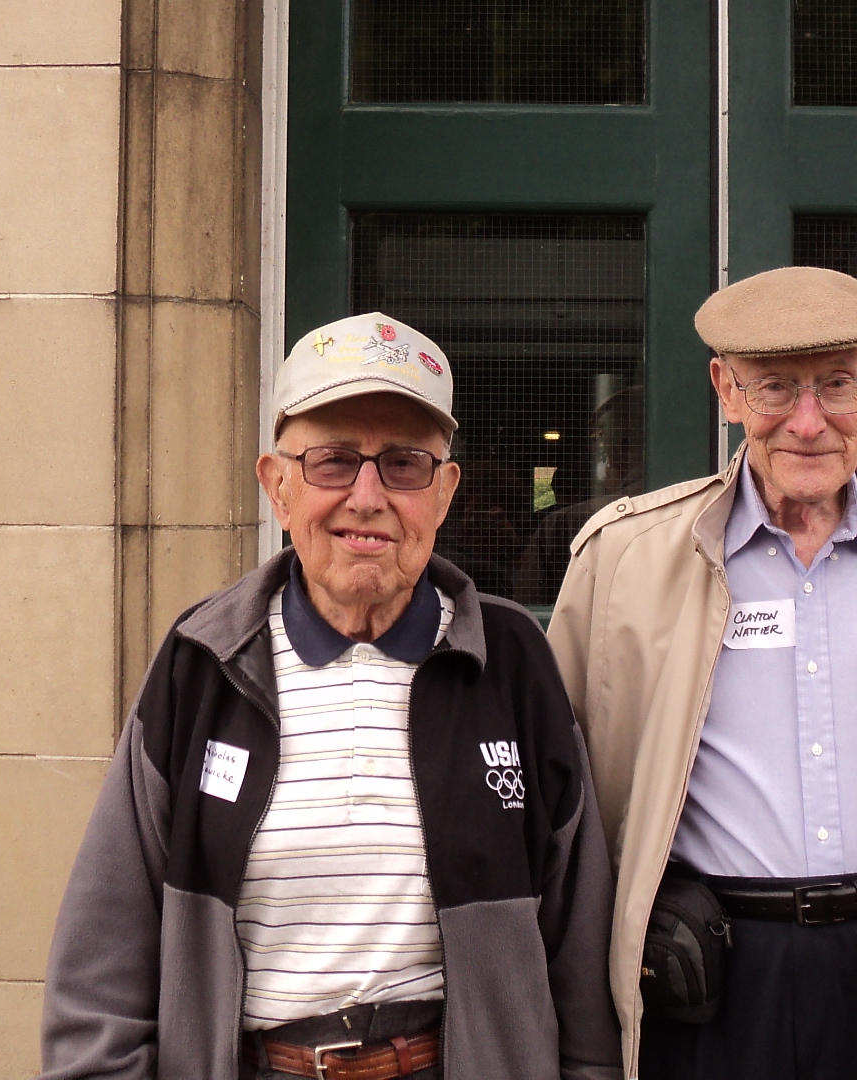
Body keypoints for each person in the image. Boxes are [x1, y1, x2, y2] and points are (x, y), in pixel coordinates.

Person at [39, 313, 622, 1080]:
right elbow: (104, 955)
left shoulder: (509, 663)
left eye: (405, 464)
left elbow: (579, 951)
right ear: (277, 486)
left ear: (444, 493)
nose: (368, 496)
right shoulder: (203, 662)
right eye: (334, 461)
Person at [546, 267, 857, 1080]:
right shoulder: (624, 560)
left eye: (837, 385)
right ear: (726, 389)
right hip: (708, 977)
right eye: (776, 387)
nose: (808, 423)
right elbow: (563, 815)